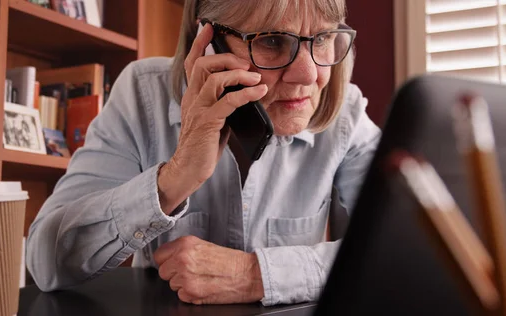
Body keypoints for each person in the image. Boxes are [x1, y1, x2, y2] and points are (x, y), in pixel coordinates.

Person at [26, 0, 381, 306]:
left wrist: (253, 276)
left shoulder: (346, 114)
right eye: (273, 41)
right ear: (209, 42)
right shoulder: (141, 94)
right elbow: (45, 261)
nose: (308, 74)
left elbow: (407, 254)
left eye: (321, 39)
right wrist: (174, 178)